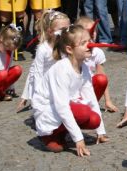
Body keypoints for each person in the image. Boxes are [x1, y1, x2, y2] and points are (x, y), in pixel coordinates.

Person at [32, 24, 108, 154]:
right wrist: (78, 139)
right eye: (83, 43)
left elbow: (91, 97)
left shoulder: (83, 67)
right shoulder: (61, 69)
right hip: (49, 108)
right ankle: (48, 135)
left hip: (67, 104)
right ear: (69, 49)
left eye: (89, 41)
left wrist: (101, 131)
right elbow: (61, 106)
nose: (89, 45)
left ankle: (62, 133)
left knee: (95, 120)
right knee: (82, 112)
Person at [17, 10, 70, 111]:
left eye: (68, 29)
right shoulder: (43, 49)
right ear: (50, 32)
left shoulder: (66, 45)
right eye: (63, 29)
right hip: (44, 86)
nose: (67, 32)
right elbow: (35, 74)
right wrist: (29, 96)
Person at [75, 16, 117, 112]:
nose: (92, 34)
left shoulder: (98, 53)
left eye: (94, 31)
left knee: (101, 79)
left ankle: (91, 106)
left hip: (89, 88)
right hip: (75, 91)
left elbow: (101, 76)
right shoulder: (74, 52)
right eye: (89, 31)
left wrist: (108, 101)